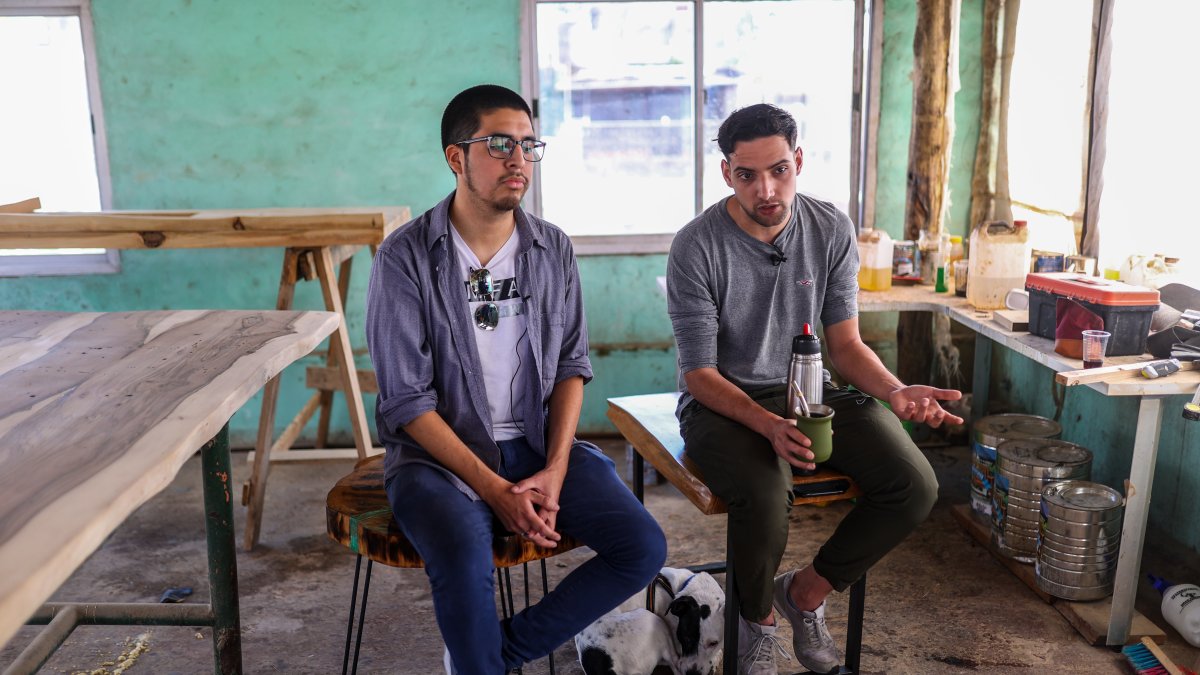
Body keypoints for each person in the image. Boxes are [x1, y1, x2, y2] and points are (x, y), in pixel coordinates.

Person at [366, 84, 666, 675]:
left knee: (643, 547)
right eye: (500, 143)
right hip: (437, 461)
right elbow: (405, 399)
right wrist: (493, 489)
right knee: (462, 549)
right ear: (456, 158)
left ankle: (490, 656)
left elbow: (571, 367)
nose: (518, 160)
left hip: (534, 444)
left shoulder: (551, 248)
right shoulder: (404, 258)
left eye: (530, 145)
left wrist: (553, 471)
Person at [666, 103, 962, 675]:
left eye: (779, 170)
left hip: (810, 391)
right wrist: (768, 425)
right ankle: (757, 622)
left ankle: (803, 593)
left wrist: (895, 392)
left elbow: (846, 345)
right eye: (747, 175)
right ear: (727, 174)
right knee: (767, 495)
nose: (766, 188)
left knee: (913, 483)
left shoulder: (829, 228)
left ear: (798, 161)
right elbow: (700, 373)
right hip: (722, 402)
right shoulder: (696, 246)